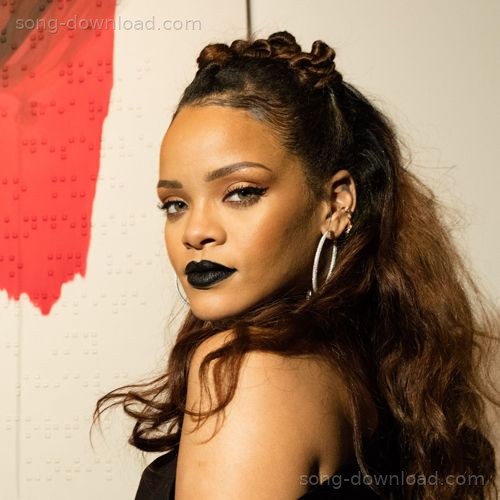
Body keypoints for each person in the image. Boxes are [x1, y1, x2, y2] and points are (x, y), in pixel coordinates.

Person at [91, 31, 500, 499]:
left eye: (241, 192)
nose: (195, 231)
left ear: (335, 203)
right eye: (175, 204)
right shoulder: (373, 370)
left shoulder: (245, 371)